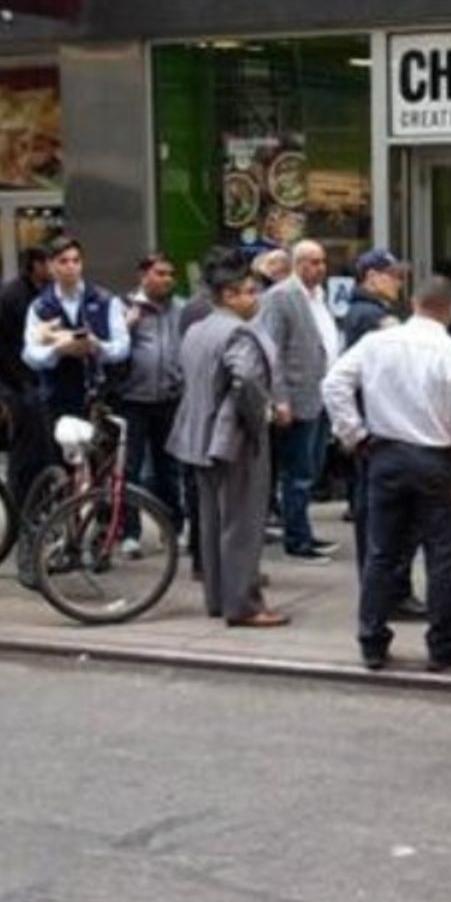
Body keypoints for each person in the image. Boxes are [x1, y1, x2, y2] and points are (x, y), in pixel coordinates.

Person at [323, 276, 451, 673]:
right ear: (450, 310)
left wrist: (355, 435)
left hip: (386, 454)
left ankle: (372, 641)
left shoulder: (377, 344)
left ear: (414, 303)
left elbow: (333, 384)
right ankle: (443, 644)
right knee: (442, 555)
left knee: (381, 552)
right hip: (437, 460)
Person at [168, 259, 290, 629]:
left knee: (211, 521)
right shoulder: (240, 334)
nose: (255, 298)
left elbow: (183, 374)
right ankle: (244, 605)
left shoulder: (196, 330)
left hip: (196, 436)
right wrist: (262, 415)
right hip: (233, 438)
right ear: (229, 295)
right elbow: (247, 381)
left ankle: (219, 599)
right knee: (242, 523)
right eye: (249, 291)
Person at [340, 248, 422, 620]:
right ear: (371, 276)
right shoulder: (372, 317)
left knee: (377, 517)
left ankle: (384, 593)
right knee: (385, 521)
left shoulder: (367, 312)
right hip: (379, 430)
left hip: (372, 428)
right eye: (393, 275)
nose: (399, 282)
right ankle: (389, 595)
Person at [258, 239, 342, 561]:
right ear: (297, 264)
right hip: (296, 396)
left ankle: (304, 530)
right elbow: (271, 351)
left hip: (321, 396)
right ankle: (297, 539)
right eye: (312, 262)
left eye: (322, 261)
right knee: (298, 473)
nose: (319, 268)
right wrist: (279, 399)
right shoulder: (281, 297)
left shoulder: (320, 297)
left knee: (313, 468)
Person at [118, 252, 188, 557]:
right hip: (133, 399)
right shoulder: (124, 307)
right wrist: (126, 325)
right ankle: (129, 532)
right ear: (143, 276)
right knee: (129, 468)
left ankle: (173, 527)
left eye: (170, 274)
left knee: (168, 467)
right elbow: (112, 348)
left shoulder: (179, 308)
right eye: (160, 273)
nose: (167, 279)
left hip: (169, 399)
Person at [21, 235, 131, 427]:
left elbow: (123, 347)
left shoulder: (105, 300)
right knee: (60, 456)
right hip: (58, 400)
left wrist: (98, 347)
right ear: (50, 265)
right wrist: (58, 350)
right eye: (63, 261)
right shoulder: (40, 307)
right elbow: (30, 355)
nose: (71, 266)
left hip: (101, 398)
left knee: (102, 456)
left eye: (76, 260)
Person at [0, 246, 52, 511]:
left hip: (42, 383)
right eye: (50, 262)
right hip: (19, 384)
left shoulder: (47, 295)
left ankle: (43, 505)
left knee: (45, 452)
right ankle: (21, 510)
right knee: (25, 453)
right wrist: (12, 385)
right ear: (35, 265)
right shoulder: (10, 296)